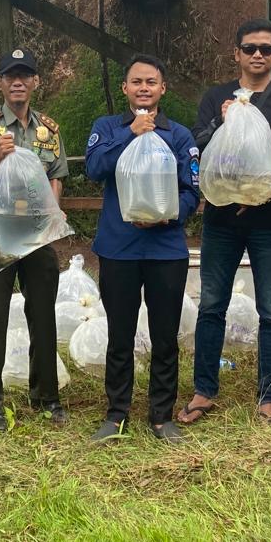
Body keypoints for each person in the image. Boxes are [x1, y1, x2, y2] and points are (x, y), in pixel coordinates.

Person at [179, 19, 271, 428]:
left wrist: (267, 195)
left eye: (265, 49)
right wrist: (221, 121)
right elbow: (198, 144)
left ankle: (268, 398)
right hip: (221, 218)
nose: (257, 54)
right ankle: (204, 391)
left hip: (270, 219)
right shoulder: (216, 96)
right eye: (249, 47)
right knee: (211, 304)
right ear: (236, 53)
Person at [85, 54, 200, 443]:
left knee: (164, 335)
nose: (144, 88)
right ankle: (116, 413)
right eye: (136, 82)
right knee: (120, 333)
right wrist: (130, 133)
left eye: (151, 81)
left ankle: (161, 415)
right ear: (125, 88)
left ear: (162, 88)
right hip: (119, 248)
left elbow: (192, 190)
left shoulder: (179, 135)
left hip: (165, 249)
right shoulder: (107, 128)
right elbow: (95, 169)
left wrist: (167, 215)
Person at [0, 48, 69, 432]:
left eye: (25, 75)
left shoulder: (49, 129)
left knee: (42, 311)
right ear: (0, 83)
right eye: (11, 76)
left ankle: (46, 397)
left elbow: (56, 175)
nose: (18, 82)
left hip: (37, 225)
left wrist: (51, 212)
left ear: (36, 82)